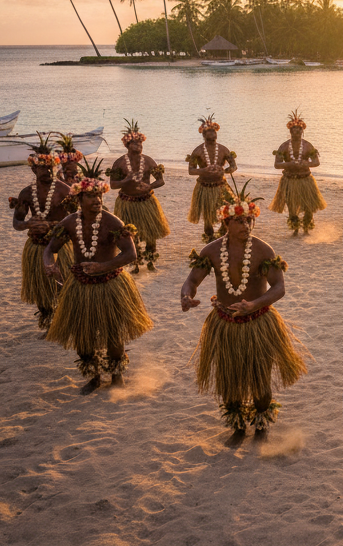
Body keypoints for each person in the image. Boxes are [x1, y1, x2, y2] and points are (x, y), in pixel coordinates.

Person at [182, 180, 308, 437]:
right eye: (240, 221)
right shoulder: (212, 251)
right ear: (226, 223)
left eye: (249, 220)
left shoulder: (263, 250)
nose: (246, 226)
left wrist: (254, 304)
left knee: (260, 378)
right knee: (230, 379)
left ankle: (261, 425)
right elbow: (193, 279)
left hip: (257, 323)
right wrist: (186, 295)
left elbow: (279, 287)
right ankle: (237, 427)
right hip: (225, 324)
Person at [44, 161, 152, 391]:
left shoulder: (113, 222)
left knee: (113, 333)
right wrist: (49, 265)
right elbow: (50, 249)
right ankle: (93, 377)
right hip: (80, 286)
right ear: (79, 199)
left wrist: (104, 267)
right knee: (83, 336)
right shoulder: (69, 222)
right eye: (91, 196)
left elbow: (131, 253)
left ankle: (116, 375)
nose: (97, 200)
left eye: (99, 196)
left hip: (110, 283)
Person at [11, 136, 73, 330]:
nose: (47, 171)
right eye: (42, 168)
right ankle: (47, 322)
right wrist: (29, 223)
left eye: (50, 167)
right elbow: (17, 223)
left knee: (64, 286)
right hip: (36, 246)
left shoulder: (65, 191)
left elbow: (77, 220)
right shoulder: (26, 194)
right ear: (33, 169)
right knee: (41, 288)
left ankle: (66, 321)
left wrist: (52, 225)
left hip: (61, 245)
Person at [109, 118, 169, 271]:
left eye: (140, 143)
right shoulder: (119, 163)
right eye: (135, 143)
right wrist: (125, 181)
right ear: (127, 145)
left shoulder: (148, 161)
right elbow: (113, 185)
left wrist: (149, 186)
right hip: (127, 203)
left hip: (146, 202)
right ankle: (135, 263)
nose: (139, 146)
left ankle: (150, 261)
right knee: (129, 234)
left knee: (150, 234)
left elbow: (161, 181)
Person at [270, 108, 326, 234]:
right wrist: (289, 164)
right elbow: (277, 164)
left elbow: (316, 162)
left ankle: (306, 227)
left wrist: (307, 163)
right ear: (290, 131)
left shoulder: (308, 146)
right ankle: (295, 229)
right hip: (289, 180)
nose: (297, 132)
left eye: (299, 129)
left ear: (302, 131)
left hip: (305, 179)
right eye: (294, 130)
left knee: (308, 206)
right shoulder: (284, 146)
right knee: (291, 206)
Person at [186, 113, 236, 241]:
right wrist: (204, 170)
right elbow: (191, 171)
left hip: (221, 186)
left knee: (228, 211)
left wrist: (226, 170)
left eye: (214, 131)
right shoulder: (197, 151)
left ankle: (223, 232)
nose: (213, 134)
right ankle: (210, 238)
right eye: (209, 132)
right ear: (203, 134)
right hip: (205, 187)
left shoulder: (224, 149)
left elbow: (233, 166)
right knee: (208, 219)